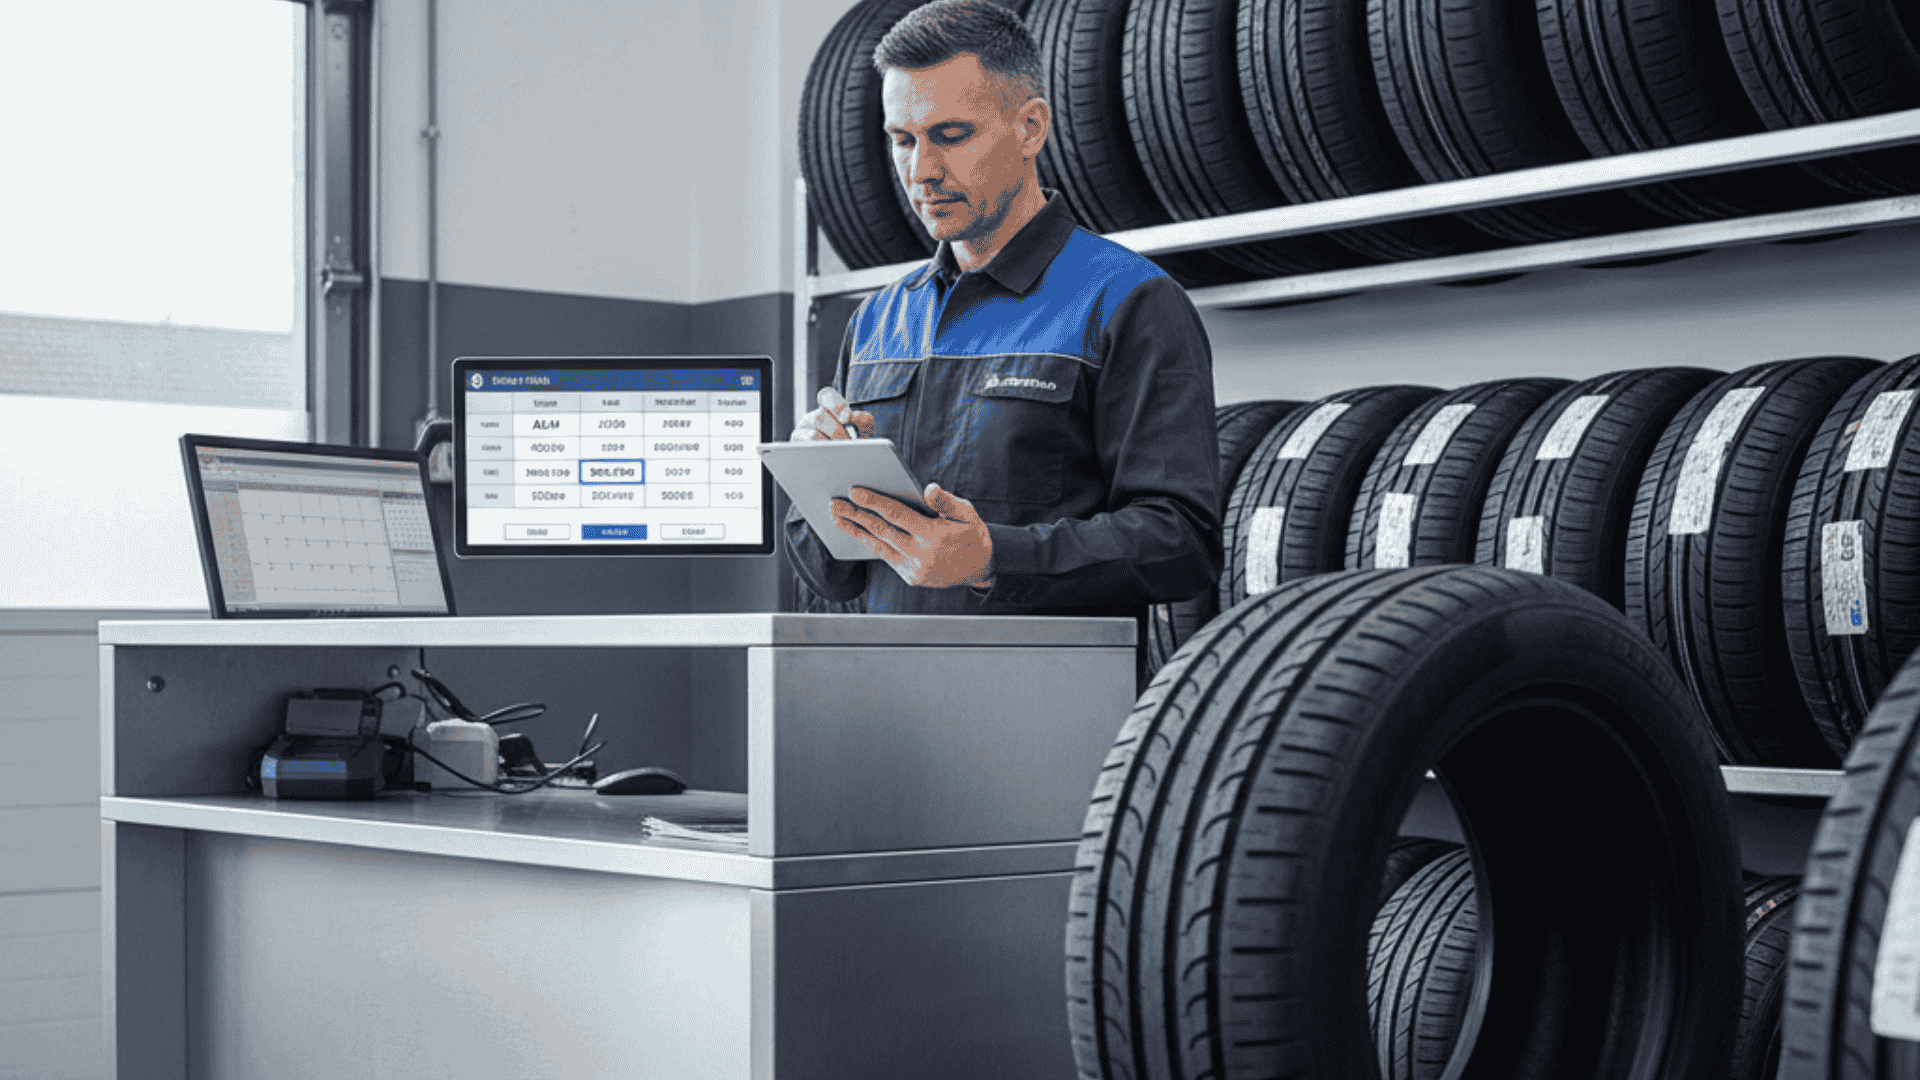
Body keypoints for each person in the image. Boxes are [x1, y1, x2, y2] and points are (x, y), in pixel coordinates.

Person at [786, 0, 1221, 651]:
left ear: (1030, 128)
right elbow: (834, 574)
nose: (921, 171)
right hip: (887, 709)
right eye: (902, 140)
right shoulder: (878, 319)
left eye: (951, 135)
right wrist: (817, 483)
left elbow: (1180, 544)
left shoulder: (1130, 302)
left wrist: (995, 557)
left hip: (1050, 717)